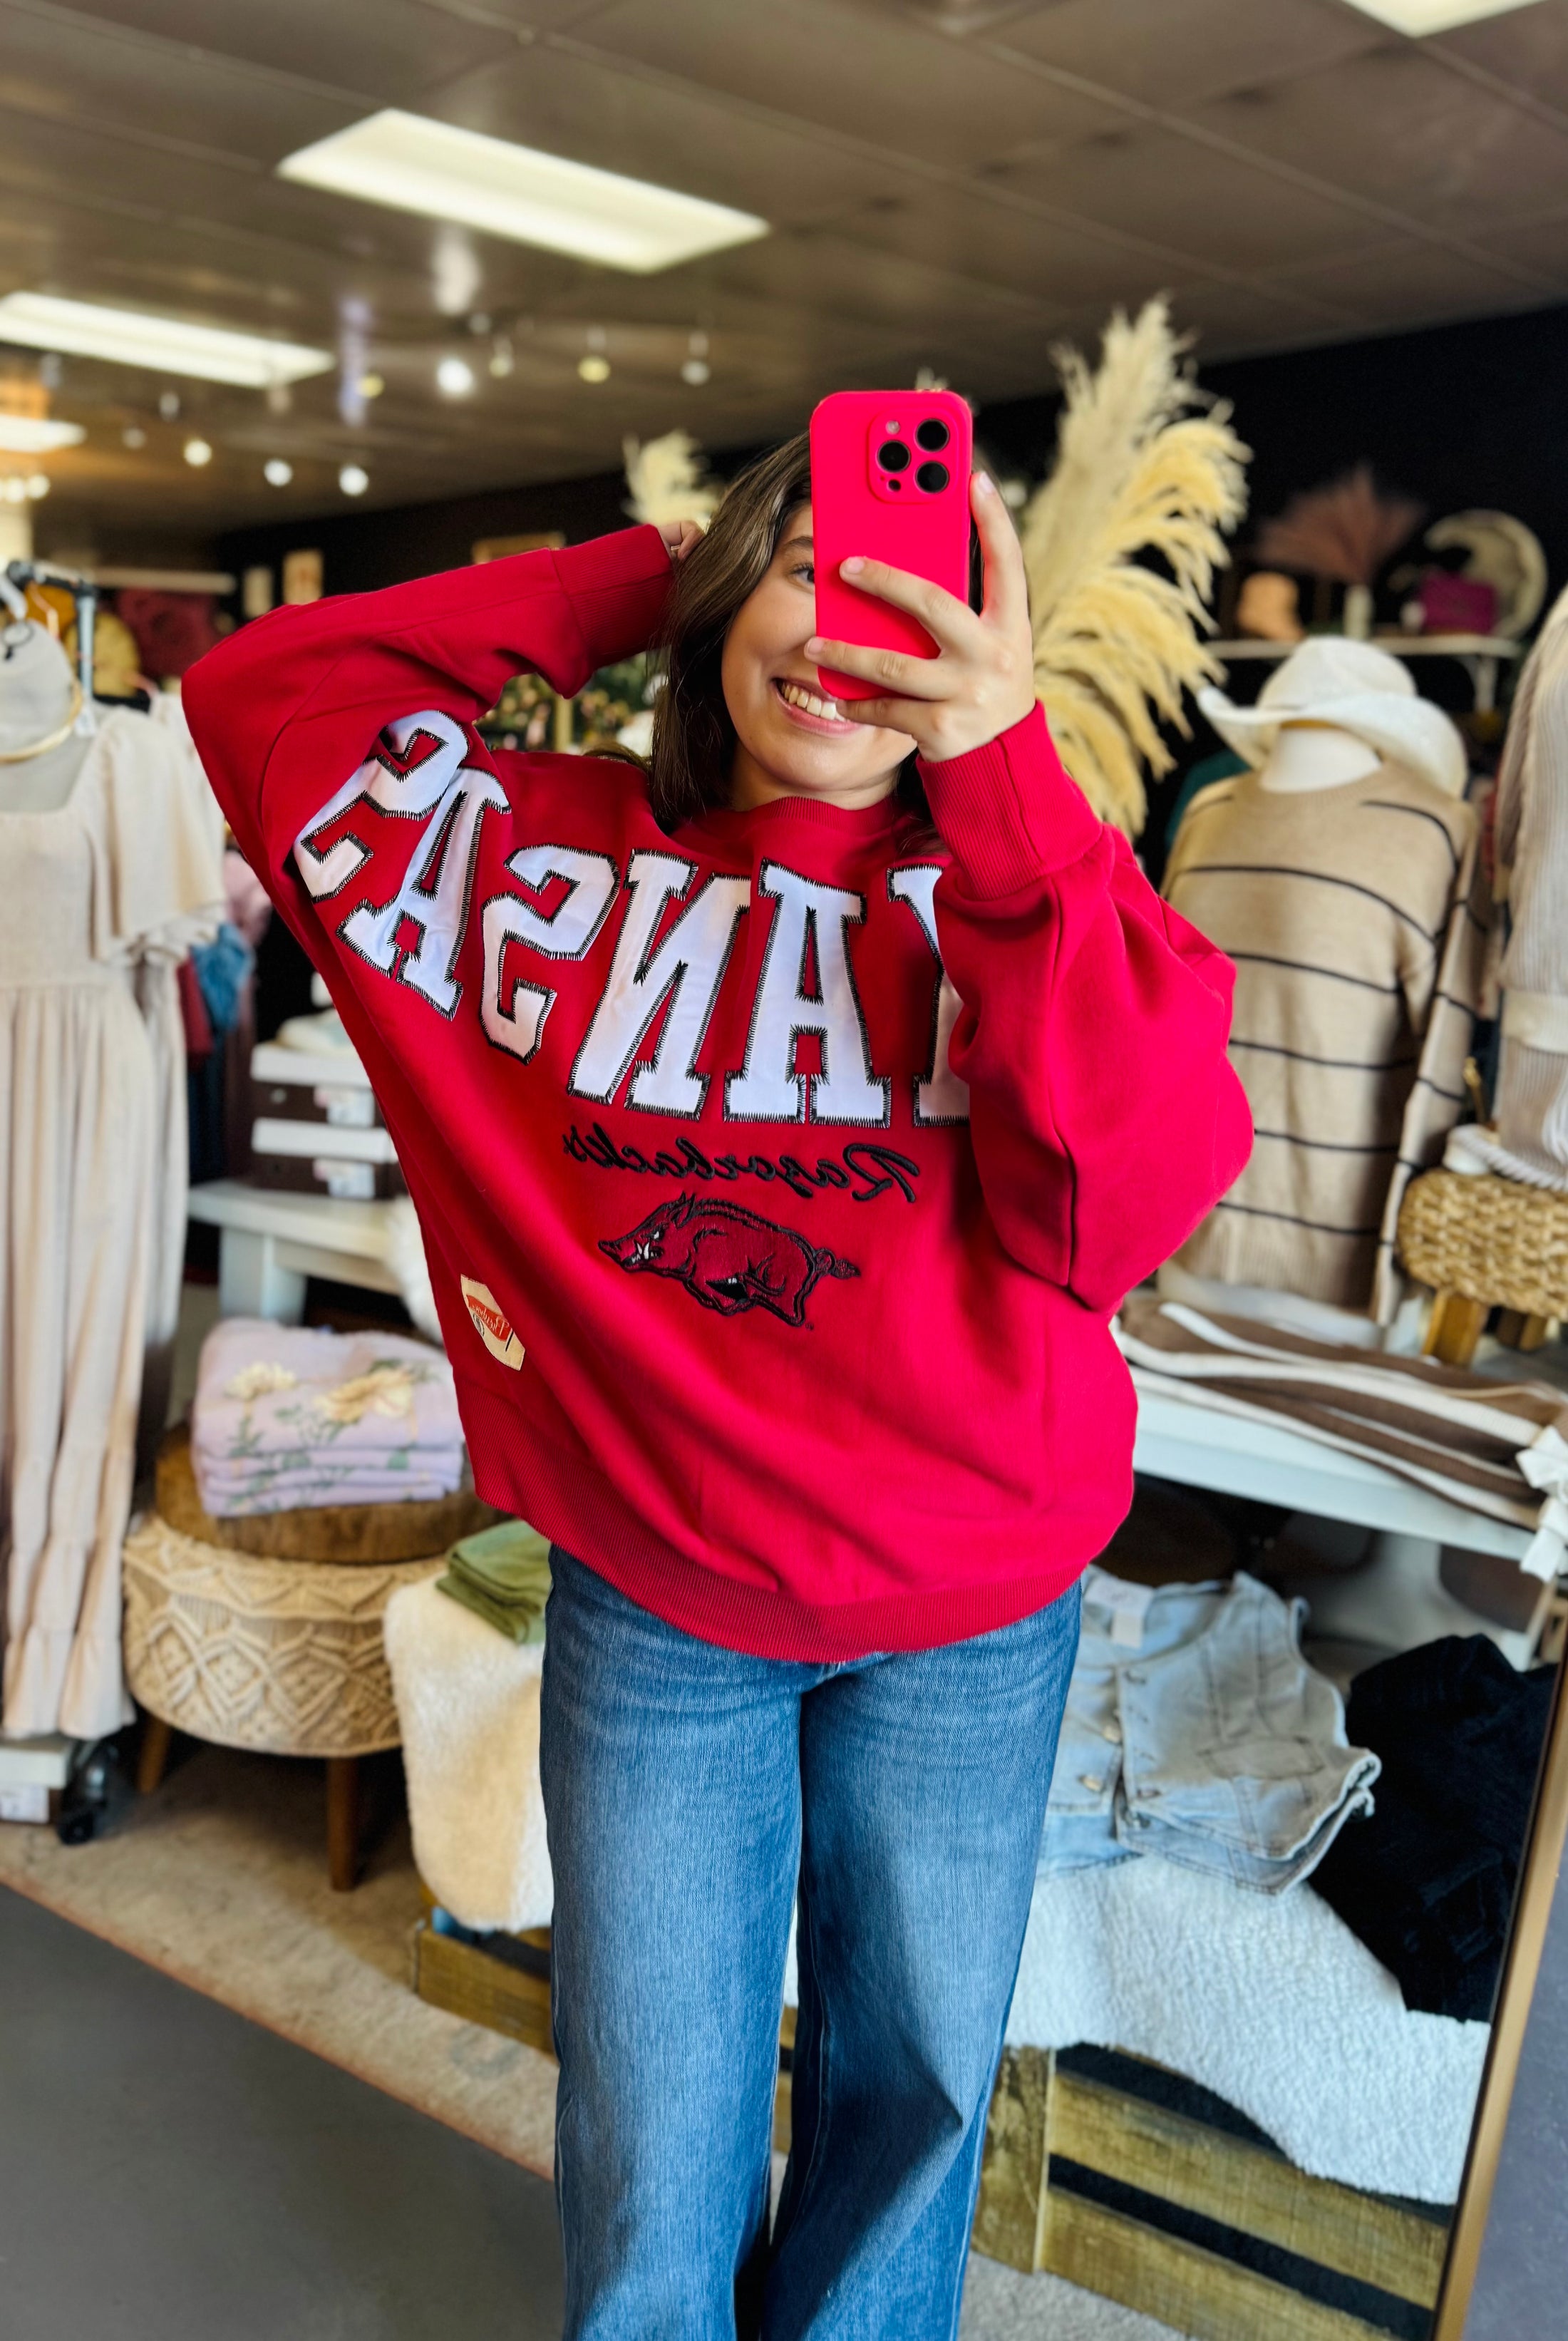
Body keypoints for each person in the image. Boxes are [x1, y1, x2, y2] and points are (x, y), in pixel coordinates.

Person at [185, 434, 1250, 2340]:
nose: (849, 631)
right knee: (652, 2145)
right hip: (663, 1599)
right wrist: (643, 570)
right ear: (725, 590)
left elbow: (1123, 1208)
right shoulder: (548, 859)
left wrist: (1003, 771)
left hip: (971, 1608)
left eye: (908, 590)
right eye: (808, 566)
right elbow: (265, 696)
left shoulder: (1033, 880)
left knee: (909, 2115)